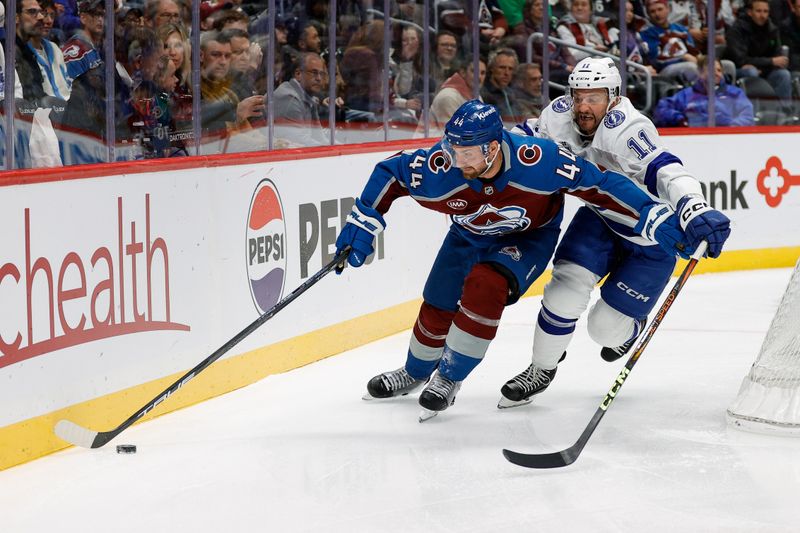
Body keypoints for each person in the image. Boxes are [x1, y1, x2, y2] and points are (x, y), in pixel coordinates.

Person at [336, 99, 692, 420]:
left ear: (492, 148)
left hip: (527, 238)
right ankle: (415, 371)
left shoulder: (540, 161)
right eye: (453, 150)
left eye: (468, 154)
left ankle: (449, 377)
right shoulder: (441, 165)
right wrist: (363, 222)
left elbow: (601, 185)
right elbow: (390, 172)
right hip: (467, 235)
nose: (458, 161)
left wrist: (652, 216)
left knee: (485, 286)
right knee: (439, 299)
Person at [503, 57, 731, 407]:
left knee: (603, 330)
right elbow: (523, 140)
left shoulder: (627, 129)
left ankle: (628, 329)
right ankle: (541, 368)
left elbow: (666, 170)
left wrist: (695, 206)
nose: (583, 105)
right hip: (602, 219)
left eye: (593, 97)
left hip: (654, 238)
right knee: (563, 290)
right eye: (578, 95)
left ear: (613, 97)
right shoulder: (559, 114)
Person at [723, 0, 793, 112]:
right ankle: (754, 113)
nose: (763, 15)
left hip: (764, 69)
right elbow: (740, 59)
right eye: (759, 11)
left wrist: (764, 64)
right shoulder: (737, 30)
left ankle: (785, 113)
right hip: (738, 70)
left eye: (766, 11)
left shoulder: (772, 29)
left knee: (783, 74)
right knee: (751, 72)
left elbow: (778, 57)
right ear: (750, 12)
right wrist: (769, 62)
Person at [654, 56, 755, 127]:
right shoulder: (686, 94)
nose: (716, 73)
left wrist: (730, 125)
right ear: (701, 72)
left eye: (719, 70)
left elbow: (747, 116)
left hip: (728, 139)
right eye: (712, 70)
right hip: (694, 139)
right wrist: (681, 120)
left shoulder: (735, 93)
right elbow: (662, 110)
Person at [273, 52, 328, 146]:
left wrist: (343, 148)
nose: (319, 78)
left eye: (321, 74)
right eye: (314, 73)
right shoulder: (289, 98)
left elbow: (319, 137)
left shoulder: (310, 98)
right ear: (298, 74)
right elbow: (299, 142)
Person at [640, 0, 700, 83]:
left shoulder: (681, 29)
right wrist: (683, 57)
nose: (657, 14)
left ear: (668, 9)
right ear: (648, 15)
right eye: (652, 12)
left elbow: (694, 52)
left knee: (718, 64)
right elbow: (657, 60)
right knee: (691, 67)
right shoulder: (647, 34)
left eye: (660, 9)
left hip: (688, 63)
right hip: (663, 71)